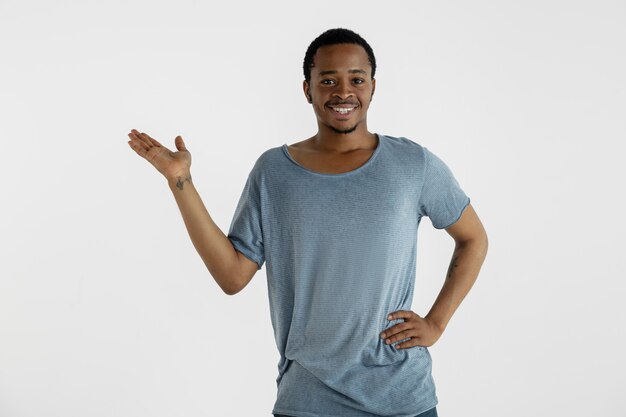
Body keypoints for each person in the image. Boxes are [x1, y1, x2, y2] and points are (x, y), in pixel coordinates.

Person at [127, 28, 488, 417]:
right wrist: (180, 182)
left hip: (402, 399)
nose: (343, 92)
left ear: (373, 86)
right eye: (328, 80)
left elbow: (473, 239)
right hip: (308, 401)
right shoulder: (274, 173)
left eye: (356, 79)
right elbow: (232, 276)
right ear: (307, 89)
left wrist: (436, 322)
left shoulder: (412, 165)